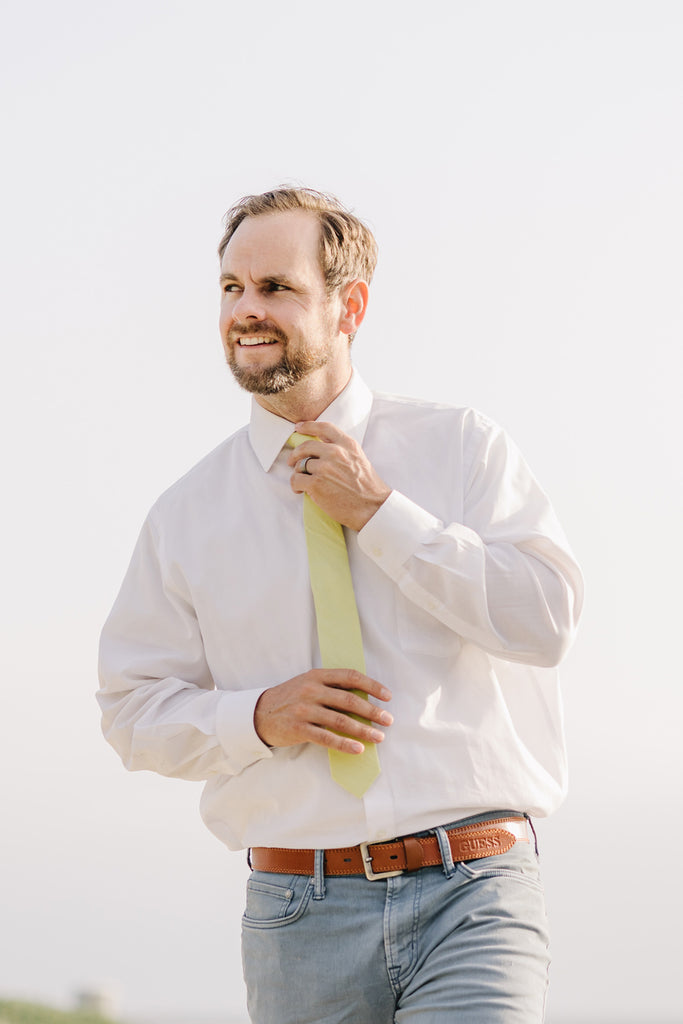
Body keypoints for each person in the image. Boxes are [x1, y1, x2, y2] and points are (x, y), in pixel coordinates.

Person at [98, 187, 583, 1024]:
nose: (245, 311)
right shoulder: (186, 515)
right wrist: (256, 717)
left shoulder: (461, 446)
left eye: (275, 288)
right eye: (230, 288)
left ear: (347, 305)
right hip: (297, 917)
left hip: (472, 890)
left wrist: (382, 516)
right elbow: (131, 710)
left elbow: (544, 620)